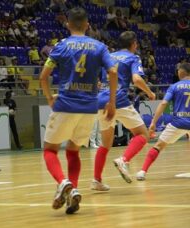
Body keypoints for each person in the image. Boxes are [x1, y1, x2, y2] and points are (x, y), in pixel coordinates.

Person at [39, 7, 118, 214]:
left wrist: (49, 98)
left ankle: (63, 182)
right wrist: (111, 102)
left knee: (50, 150)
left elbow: (43, 76)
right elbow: (112, 71)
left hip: (66, 104)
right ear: (88, 25)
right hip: (90, 108)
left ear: (68, 24)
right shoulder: (100, 47)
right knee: (73, 151)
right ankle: (72, 191)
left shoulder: (61, 46)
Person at [93, 31, 156, 190]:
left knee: (105, 144)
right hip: (118, 100)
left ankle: (97, 180)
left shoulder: (108, 56)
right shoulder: (133, 57)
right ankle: (124, 160)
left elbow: (99, 79)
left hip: (100, 101)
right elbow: (136, 79)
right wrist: (149, 93)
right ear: (134, 44)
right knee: (143, 134)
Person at [137, 63, 190, 181]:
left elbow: (164, 103)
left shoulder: (174, 86)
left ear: (180, 72)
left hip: (178, 123)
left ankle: (142, 171)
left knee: (158, 146)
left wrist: (153, 123)